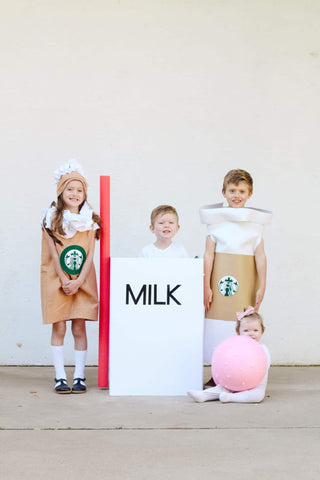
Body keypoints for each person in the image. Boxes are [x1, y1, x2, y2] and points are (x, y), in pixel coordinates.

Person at [199, 169, 272, 371]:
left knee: (242, 323)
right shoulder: (214, 223)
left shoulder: (255, 225)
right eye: (232, 191)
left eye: (241, 191)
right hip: (218, 284)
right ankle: (218, 371)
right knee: (216, 326)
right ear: (223, 192)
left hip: (245, 283)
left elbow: (260, 255)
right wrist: (206, 285)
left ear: (250, 194)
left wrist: (262, 285)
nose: (236, 196)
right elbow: (209, 255)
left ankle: (241, 370)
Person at [41, 160, 101, 394]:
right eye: (70, 189)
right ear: (61, 192)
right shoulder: (50, 219)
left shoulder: (90, 221)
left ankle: (79, 376)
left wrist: (78, 281)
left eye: (79, 190)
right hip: (57, 280)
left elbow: (89, 256)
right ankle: (59, 377)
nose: (75, 194)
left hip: (82, 280)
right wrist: (64, 280)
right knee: (59, 328)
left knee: (79, 328)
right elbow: (53, 254)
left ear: (84, 194)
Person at [187, 308, 271, 403]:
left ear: (262, 331)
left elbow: (265, 366)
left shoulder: (262, 349)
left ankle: (231, 398)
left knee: (257, 395)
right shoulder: (235, 346)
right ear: (238, 332)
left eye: (256, 330)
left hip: (254, 384)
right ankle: (204, 395)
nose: (251, 334)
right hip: (235, 380)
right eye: (246, 331)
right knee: (223, 387)